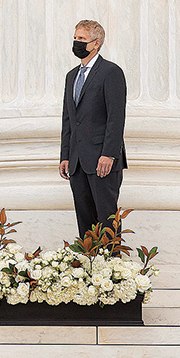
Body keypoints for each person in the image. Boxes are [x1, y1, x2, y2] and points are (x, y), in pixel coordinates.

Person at [59, 20, 127, 238]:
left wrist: (109, 154)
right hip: (77, 161)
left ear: (96, 43)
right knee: (84, 220)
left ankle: (111, 259)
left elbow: (116, 118)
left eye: (82, 39)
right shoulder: (71, 76)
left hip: (102, 160)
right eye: (75, 38)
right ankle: (88, 258)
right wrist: (65, 155)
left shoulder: (111, 72)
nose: (76, 42)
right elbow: (68, 119)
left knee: (107, 219)